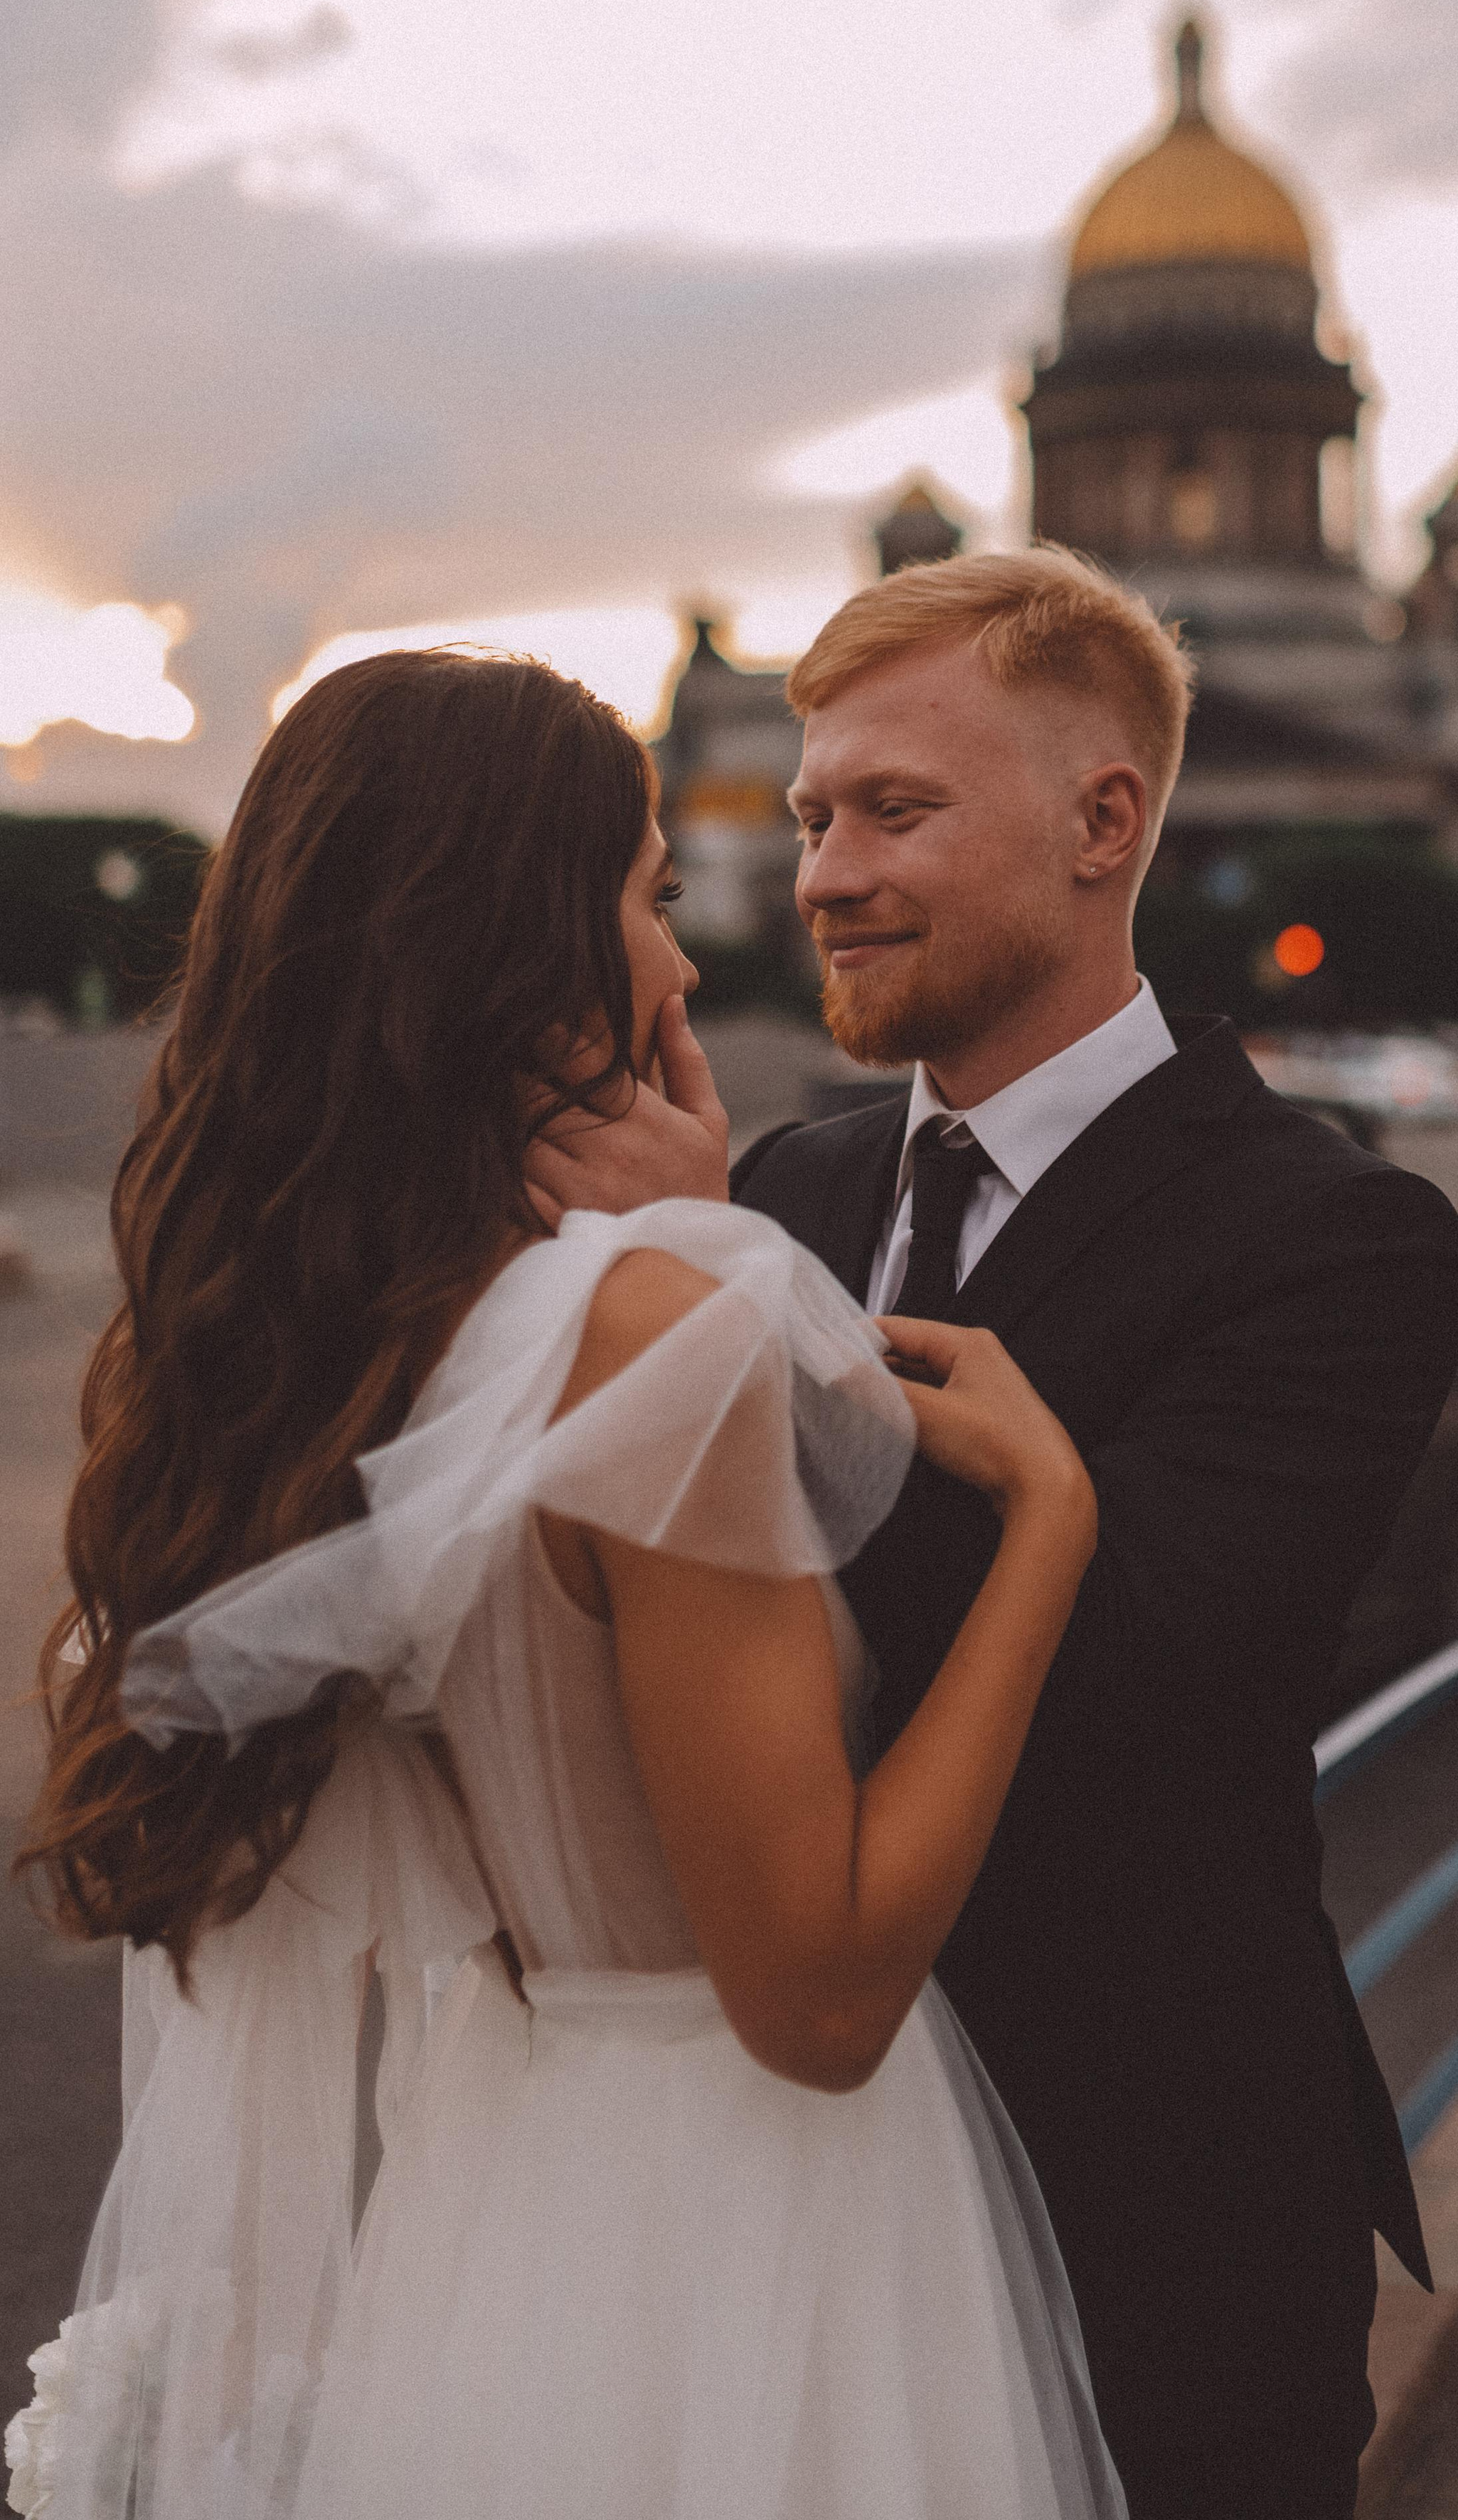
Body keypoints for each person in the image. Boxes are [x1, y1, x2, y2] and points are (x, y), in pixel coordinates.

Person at [6, 649, 1129, 2520]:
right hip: (754, 2207)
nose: (684, 967)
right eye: (646, 898)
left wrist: (691, 1244)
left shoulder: (299, 1344)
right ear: (506, 947)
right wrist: (1051, 1528)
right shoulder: (644, 1332)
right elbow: (820, 1993)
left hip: (500, 2183)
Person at [531, 549, 1458, 2519]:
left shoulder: (1338, 1237)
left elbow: (1128, 1673)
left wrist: (719, 1318)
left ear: (1101, 820)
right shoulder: (782, 1180)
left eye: (896, 810)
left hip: (1156, 2212)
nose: (820, 876)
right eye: (807, 818)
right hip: (789, 2184)